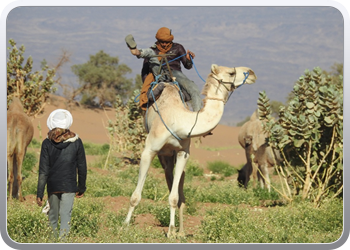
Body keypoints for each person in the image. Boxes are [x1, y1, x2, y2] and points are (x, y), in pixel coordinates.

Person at [36, 109, 87, 240]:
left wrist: (39, 194)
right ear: (67, 123)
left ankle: (52, 242)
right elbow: (82, 167)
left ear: (51, 123)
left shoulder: (46, 143)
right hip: (69, 185)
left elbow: (43, 170)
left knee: (52, 216)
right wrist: (81, 188)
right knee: (66, 216)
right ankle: (63, 244)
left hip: (53, 186)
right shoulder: (76, 141)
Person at [125, 27, 202, 112]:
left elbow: (188, 66)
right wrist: (147, 85)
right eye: (162, 42)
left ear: (170, 40)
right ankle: (136, 51)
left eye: (167, 42)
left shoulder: (178, 47)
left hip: (175, 75)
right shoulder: (153, 49)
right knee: (150, 53)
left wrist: (189, 60)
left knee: (194, 89)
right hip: (158, 73)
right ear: (158, 40)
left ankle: (198, 116)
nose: (164, 44)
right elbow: (145, 71)